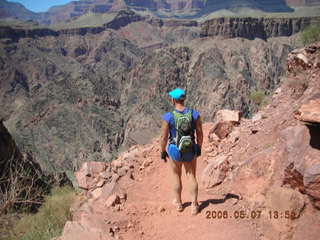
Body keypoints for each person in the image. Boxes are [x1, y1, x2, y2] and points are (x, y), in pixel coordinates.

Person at [160, 88, 203, 215]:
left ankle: (179, 203)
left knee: (176, 175)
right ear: (184, 99)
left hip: (174, 150)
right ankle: (194, 205)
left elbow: (163, 137)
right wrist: (198, 147)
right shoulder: (194, 114)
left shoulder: (168, 117)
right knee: (191, 175)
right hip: (190, 149)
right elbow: (200, 133)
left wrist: (162, 151)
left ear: (173, 99)